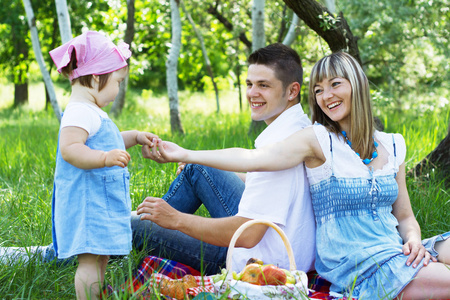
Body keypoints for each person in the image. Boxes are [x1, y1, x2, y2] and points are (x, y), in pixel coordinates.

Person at [149, 51, 450, 299]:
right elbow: (257, 158)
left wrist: (412, 239)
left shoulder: (392, 143)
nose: (326, 96)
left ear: (356, 85)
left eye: (335, 84)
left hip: (394, 248)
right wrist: (185, 154)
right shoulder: (317, 139)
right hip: (358, 264)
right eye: (318, 90)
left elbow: (406, 215)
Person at [134, 43, 316, 275]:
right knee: (197, 167)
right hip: (279, 247)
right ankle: (151, 216)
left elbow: (248, 234)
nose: (252, 93)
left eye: (264, 85)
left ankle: (143, 224)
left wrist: (175, 219)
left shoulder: (281, 142)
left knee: (130, 227)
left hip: (256, 262)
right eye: (250, 84)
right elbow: (273, 188)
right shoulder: (298, 128)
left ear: (292, 91)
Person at [48, 31, 157, 299]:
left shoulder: (92, 110)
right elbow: (71, 149)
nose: (119, 90)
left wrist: (134, 137)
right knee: (89, 261)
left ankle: (96, 293)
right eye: (118, 82)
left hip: (100, 202)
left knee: (100, 257)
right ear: (97, 76)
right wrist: (105, 159)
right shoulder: (80, 110)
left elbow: (105, 141)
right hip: (87, 204)